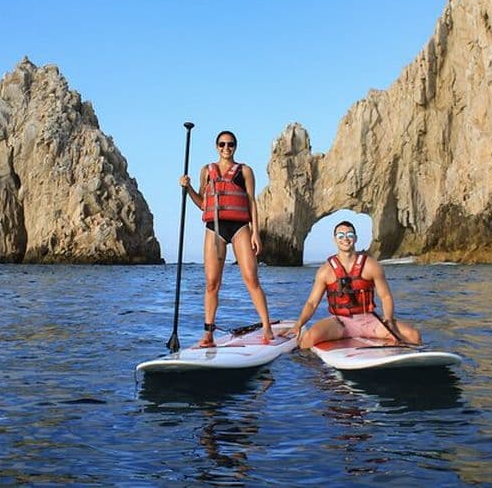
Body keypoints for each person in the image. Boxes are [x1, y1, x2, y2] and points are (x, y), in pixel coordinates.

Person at [179, 130, 275, 347]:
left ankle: (267, 327)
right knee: (212, 283)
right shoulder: (206, 170)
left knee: (251, 278)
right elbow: (203, 203)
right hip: (214, 228)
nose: (226, 148)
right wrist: (188, 188)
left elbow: (251, 202)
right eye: (222, 144)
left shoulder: (245, 171)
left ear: (235, 147)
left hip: (240, 227)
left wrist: (256, 232)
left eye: (230, 144)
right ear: (216, 147)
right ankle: (208, 334)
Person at [289, 221, 422, 349]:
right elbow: (312, 303)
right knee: (309, 338)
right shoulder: (325, 271)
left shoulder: (371, 266)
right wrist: (298, 324)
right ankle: (308, 363)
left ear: (356, 238)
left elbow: (385, 297)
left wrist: (388, 320)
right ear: (335, 240)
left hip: (368, 320)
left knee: (413, 336)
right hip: (340, 323)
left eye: (350, 234)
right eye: (341, 235)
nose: (345, 238)